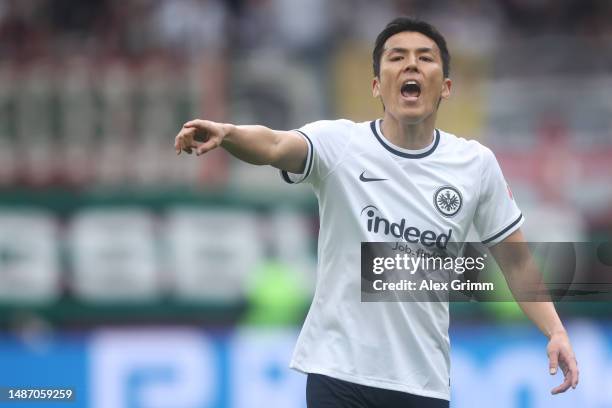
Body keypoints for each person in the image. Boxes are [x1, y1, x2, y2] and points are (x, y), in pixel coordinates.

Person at [174, 16, 579, 408]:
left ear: (446, 87)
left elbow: (518, 261)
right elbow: (276, 146)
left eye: (425, 56)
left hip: (423, 381)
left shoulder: (475, 164)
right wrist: (229, 134)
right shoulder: (339, 145)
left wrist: (555, 330)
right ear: (375, 84)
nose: (411, 64)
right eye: (396, 56)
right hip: (338, 372)